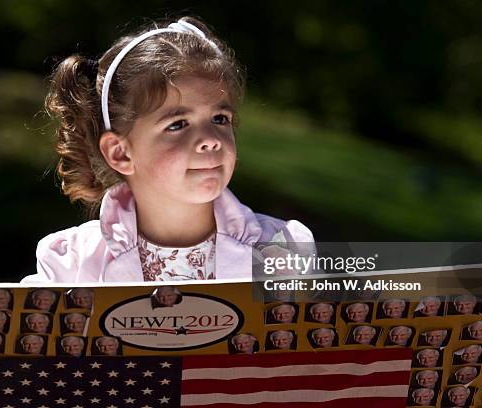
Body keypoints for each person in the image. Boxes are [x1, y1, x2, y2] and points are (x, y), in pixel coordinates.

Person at [20, 16, 314, 284]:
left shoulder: (283, 247)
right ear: (120, 153)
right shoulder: (71, 263)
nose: (210, 139)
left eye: (219, 119)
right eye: (178, 124)